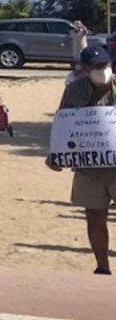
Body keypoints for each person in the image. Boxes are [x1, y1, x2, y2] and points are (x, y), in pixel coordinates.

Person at [48, 44, 115, 274]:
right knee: (94, 215)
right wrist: (55, 155)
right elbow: (63, 123)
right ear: (85, 69)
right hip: (88, 167)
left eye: (104, 65)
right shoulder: (74, 91)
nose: (102, 69)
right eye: (96, 66)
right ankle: (102, 266)